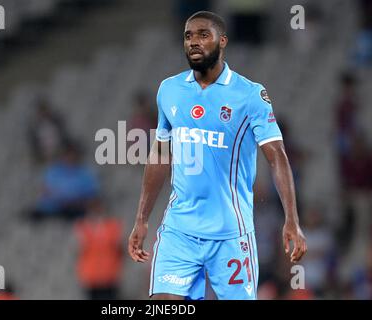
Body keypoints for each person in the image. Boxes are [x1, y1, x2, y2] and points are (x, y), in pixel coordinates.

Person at [127, 11, 307, 300]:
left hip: (231, 236)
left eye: (202, 35)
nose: (194, 42)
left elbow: (277, 156)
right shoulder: (170, 90)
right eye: (188, 36)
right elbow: (160, 154)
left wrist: (292, 219)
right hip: (179, 231)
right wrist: (141, 219)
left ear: (222, 41)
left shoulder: (249, 95)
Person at [28, 142, 99, 222]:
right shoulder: (53, 171)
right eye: (67, 154)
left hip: (75, 209)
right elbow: (46, 192)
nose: (70, 158)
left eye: (73, 154)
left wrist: (75, 202)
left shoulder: (85, 173)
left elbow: (92, 196)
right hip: (53, 208)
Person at [73, 198, 123, 300]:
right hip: (91, 275)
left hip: (110, 274)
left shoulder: (113, 226)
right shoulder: (83, 228)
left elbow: (119, 248)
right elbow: (78, 249)